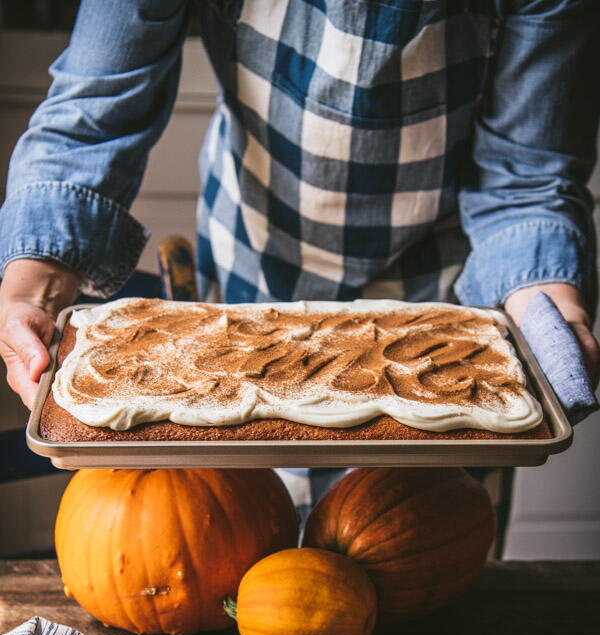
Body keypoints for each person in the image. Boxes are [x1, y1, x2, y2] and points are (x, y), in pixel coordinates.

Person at [0, 1, 598, 526]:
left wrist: (549, 311)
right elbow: (99, 99)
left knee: (423, 543)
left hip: (447, 302)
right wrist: (37, 279)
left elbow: (527, 176)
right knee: (242, 533)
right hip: (247, 277)